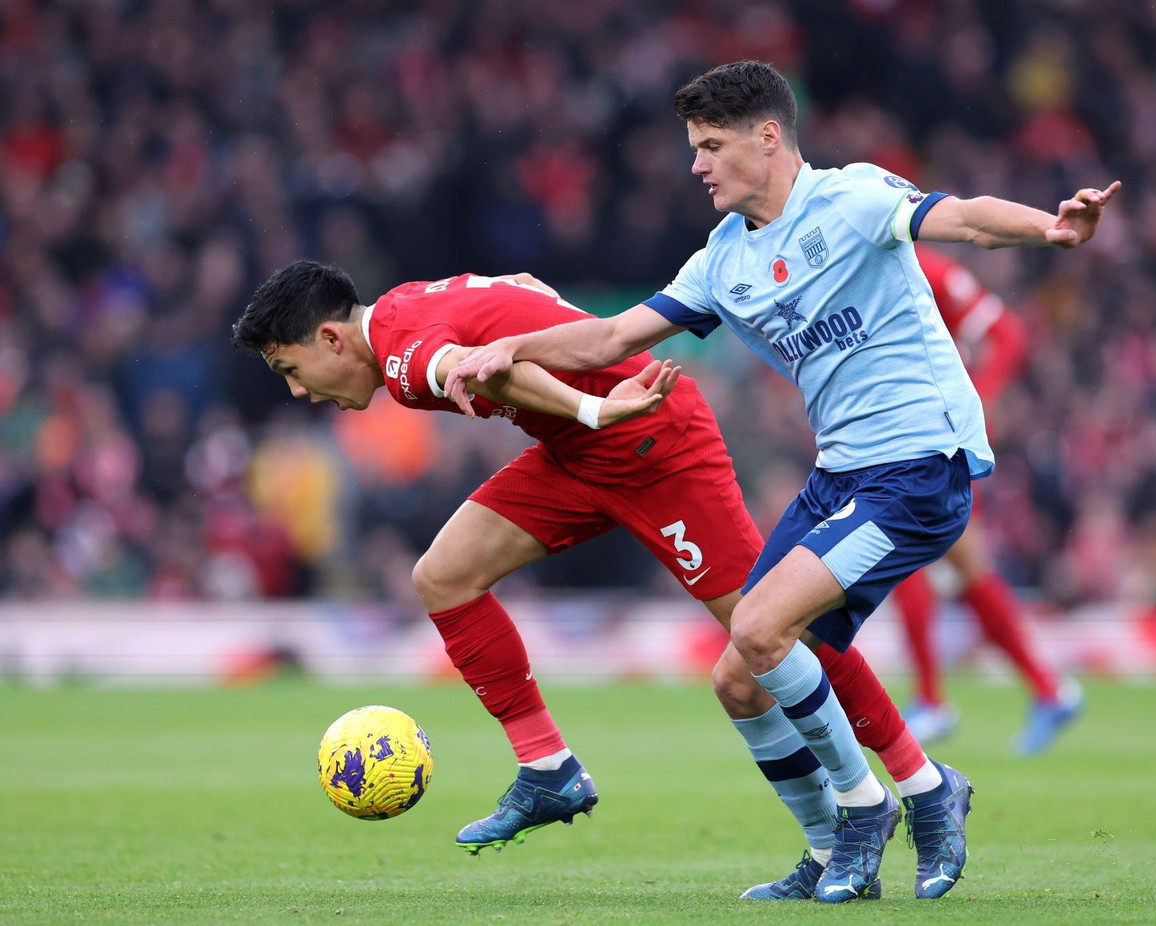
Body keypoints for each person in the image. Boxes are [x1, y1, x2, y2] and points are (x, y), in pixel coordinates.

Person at [452, 60, 1119, 902]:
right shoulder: (722, 261)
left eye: (710, 145)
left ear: (768, 138)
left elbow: (965, 219)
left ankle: (869, 810)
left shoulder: (851, 199)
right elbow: (610, 339)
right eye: (694, 147)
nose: (696, 165)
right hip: (839, 474)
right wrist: (509, 348)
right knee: (737, 678)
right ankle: (862, 832)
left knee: (762, 627)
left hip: (919, 467)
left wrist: (1050, 228)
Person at [230, 260, 965, 899]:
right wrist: (582, 401)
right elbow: (518, 286)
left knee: (772, 632)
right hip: (577, 453)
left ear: (331, 339)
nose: (298, 393)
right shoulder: (403, 304)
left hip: (651, 444)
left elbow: (496, 367)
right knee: (444, 577)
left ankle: (920, 784)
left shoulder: (401, 357)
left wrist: (592, 406)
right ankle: (549, 767)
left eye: (290, 370)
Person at [894, 245, 1083, 755]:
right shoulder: (868, 264)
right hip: (913, 434)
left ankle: (932, 699)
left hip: (939, 438)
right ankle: (1048, 689)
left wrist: (977, 398)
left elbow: (1008, 333)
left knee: (901, 551)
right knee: (965, 569)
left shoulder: (926, 267)